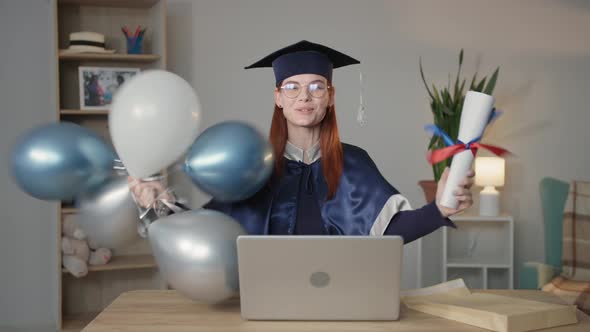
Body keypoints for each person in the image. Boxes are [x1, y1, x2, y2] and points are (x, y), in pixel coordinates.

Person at [129, 40, 474, 244]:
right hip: (266, 298)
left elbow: (389, 232)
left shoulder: (354, 162)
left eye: (316, 86)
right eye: (292, 87)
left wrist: (440, 208)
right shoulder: (252, 164)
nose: (304, 97)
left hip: (342, 299)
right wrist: (160, 205)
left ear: (330, 96)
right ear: (278, 97)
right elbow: (211, 230)